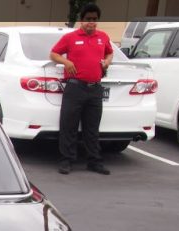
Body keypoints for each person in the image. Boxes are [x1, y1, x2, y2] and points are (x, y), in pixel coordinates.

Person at [50, 3, 114, 175]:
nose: (91, 23)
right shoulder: (70, 38)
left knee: (92, 128)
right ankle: (66, 160)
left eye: (94, 20)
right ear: (81, 20)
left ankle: (94, 161)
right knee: (68, 126)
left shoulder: (103, 37)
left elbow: (109, 52)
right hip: (75, 88)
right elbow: (54, 53)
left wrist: (107, 61)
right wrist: (67, 62)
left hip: (95, 89)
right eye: (88, 20)